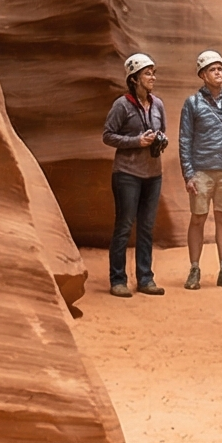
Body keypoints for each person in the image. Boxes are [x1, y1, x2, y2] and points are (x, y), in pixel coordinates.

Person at [100, 52, 169, 298]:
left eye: (153, 73)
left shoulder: (158, 104)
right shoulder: (122, 105)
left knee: (147, 228)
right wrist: (136, 141)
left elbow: (163, 131)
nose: (152, 77)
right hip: (127, 173)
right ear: (135, 78)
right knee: (124, 225)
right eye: (147, 73)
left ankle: (145, 278)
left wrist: (159, 141)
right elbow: (108, 135)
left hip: (153, 174)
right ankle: (118, 279)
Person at [179, 49, 222, 290]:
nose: (218, 73)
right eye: (212, 69)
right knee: (197, 219)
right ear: (202, 75)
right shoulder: (192, 103)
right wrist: (188, 173)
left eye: (220, 68)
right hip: (201, 170)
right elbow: (185, 139)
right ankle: (194, 269)